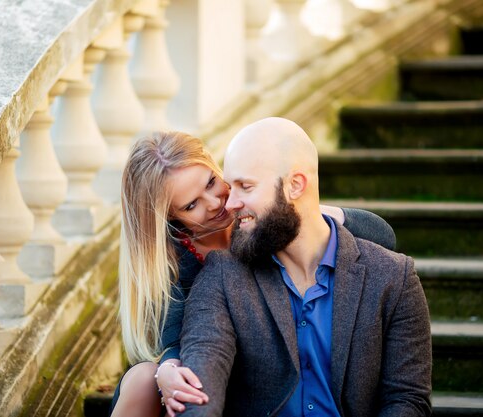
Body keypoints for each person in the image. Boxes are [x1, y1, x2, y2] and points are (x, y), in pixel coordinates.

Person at [111, 131, 397, 417]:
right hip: (203, 372)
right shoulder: (172, 260)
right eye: (191, 205)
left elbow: (383, 237)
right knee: (142, 379)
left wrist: (309, 211)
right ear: (170, 217)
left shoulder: (255, 217)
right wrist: (168, 369)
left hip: (265, 371)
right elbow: (172, 340)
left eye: (212, 182)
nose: (213, 203)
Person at [178, 118, 432, 417]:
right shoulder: (222, 275)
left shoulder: (394, 278)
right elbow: (200, 389)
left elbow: (407, 401)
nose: (229, 204)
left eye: (245, 186)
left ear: (295, 185)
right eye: (229, 186)